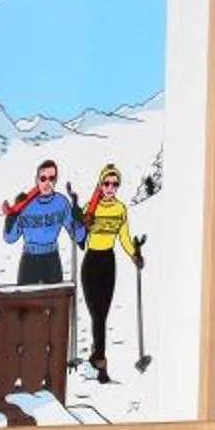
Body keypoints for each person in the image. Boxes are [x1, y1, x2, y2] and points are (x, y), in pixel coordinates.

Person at [74, 162, 141, 384]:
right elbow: (79, 237)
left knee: (102, 313)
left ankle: (97, 354)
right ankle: (101, 362)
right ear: (100, 185)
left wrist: (134, 255)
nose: (111, 187)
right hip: (91, 261)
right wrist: (83, 222)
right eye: (107, 183)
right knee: (97, 314)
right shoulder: (91, 207)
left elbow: (124, 236)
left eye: (115, 184)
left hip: (108, 262)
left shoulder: (120, 209)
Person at [0, 159, 82, 285]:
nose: (47, 182)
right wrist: (13, 214)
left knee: (55, 301)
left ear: (55, 180)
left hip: (52, 259)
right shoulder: (25, 204)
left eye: (51, 178)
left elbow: (78, 236)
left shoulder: (61, 202)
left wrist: (77, 215)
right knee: (26, 302)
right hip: (29, 260)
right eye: (43, 178)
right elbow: (9, 238)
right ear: (37, 180)